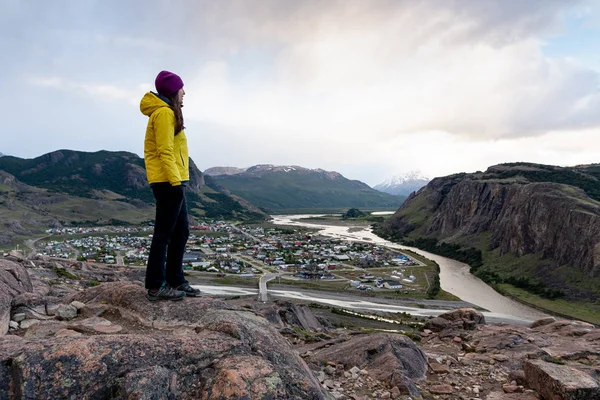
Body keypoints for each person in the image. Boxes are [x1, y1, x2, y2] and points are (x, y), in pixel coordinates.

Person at [140, 70, 201, 301]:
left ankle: (176, 279)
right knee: (164, 235)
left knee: (181, 231)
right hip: (168, 182)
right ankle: (156, 286)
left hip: (173, 180)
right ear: (173, 91)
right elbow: (164, 151)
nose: (184, 92)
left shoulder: (167, 112)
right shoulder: (164, 113)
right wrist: (176, 182)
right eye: (182, 88)